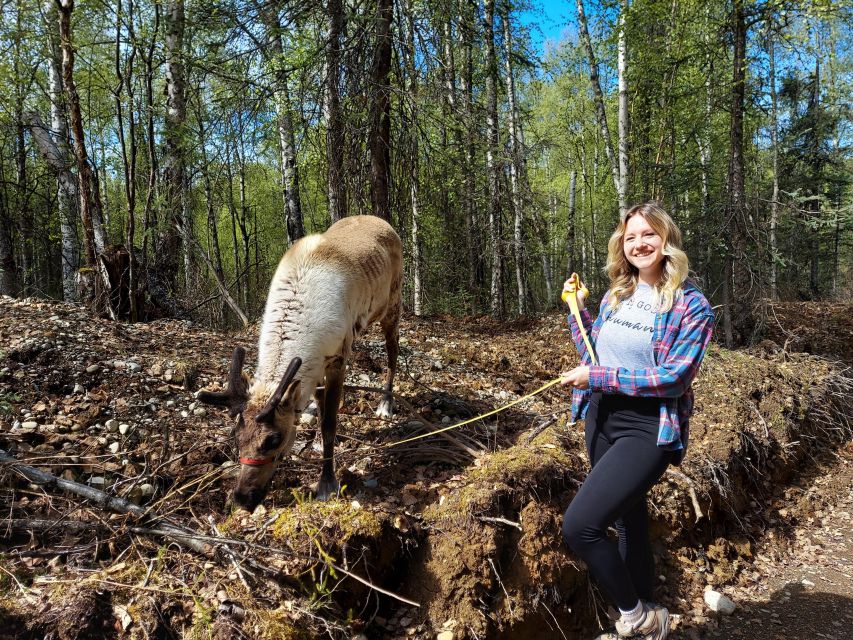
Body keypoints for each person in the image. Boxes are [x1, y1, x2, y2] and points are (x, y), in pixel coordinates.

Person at [559, 202, 715, 640]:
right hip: (601, 417)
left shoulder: (692, 305)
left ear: (666, 240)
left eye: (649, 234)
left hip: (648, 428)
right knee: (629, 521)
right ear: (621, 245)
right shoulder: (617, 295)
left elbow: (674, 379)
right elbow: (597, 354)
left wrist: (598, 376)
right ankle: (649, 617)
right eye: (630, 237)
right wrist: (578, 310)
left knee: (580, 526)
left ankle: (635, 616)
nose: (639, 243)